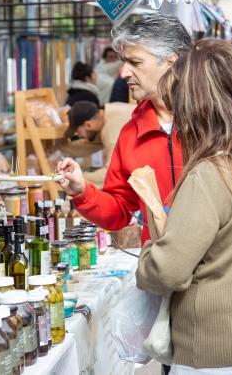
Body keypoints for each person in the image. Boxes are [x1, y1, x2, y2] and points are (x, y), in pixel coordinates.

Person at [137, 39, 232, 372]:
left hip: (214, 354)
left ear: (193, 106)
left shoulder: (208, 174)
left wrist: (149, 250)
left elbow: (167, 270)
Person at [56, 15, 190, 245]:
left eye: (135, 62)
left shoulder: (212, 123)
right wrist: (82, 191)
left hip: (216, 273)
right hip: (163, 271)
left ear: (171, 62)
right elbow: (119, 211)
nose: (124, 73)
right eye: (124, 62)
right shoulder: (131, 134)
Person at [65, 101, 134, 188]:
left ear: (88, 125)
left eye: (77, 132)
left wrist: (77, 178)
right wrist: (58, 148)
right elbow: (91, 145)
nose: (78, 136)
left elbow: (112, 174)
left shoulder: (111, 131)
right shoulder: (108, 112)